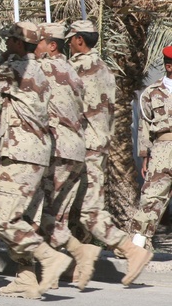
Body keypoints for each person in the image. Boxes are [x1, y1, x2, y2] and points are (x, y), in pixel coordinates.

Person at [0, 21, 71, 300]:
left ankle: (48, 257)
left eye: (10, 42)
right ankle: (25, 277)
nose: (5, 46)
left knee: (2, 215)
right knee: (25, 217)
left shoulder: (18, 70)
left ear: (20, 45)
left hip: (21, 152)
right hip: (34, 152)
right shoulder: (37, 68)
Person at [67, 20, 152, 286]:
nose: (68, 44)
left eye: (70, 39)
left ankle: (131, 250)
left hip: (86, 147)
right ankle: (83, 260)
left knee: (89, 210)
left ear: (80, 40)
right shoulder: (104, 68)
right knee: (77, 207)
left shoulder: (79, 67)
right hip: (97, 145)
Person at [35, 23, 91, 289]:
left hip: (58, 149)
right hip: (76, 148)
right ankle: (69, 270)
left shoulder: (46, 67)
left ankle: (69, 261)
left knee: (45, 211)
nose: (35, 46)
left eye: (39, 41)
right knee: (60, 214)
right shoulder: (71, 69)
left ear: (51, 45)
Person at [127, 45, 172, 258]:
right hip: (163, 149)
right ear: (167, 65)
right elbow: (144, 125)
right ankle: (138, 247)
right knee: (151, 197)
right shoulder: (152, 92)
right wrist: (145, 155)